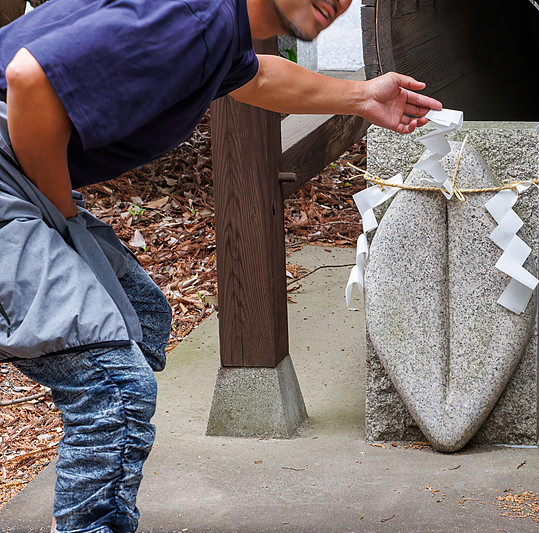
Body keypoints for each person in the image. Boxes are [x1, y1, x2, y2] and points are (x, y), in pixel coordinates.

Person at [0, 0, 442, 531]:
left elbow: (253, 79)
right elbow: (30, 78)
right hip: (13, 181)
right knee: (113, 387)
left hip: (20, 179)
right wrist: (62, 216)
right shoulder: (195, 19)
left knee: (139, 318)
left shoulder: (219, 28)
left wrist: (362, 96)